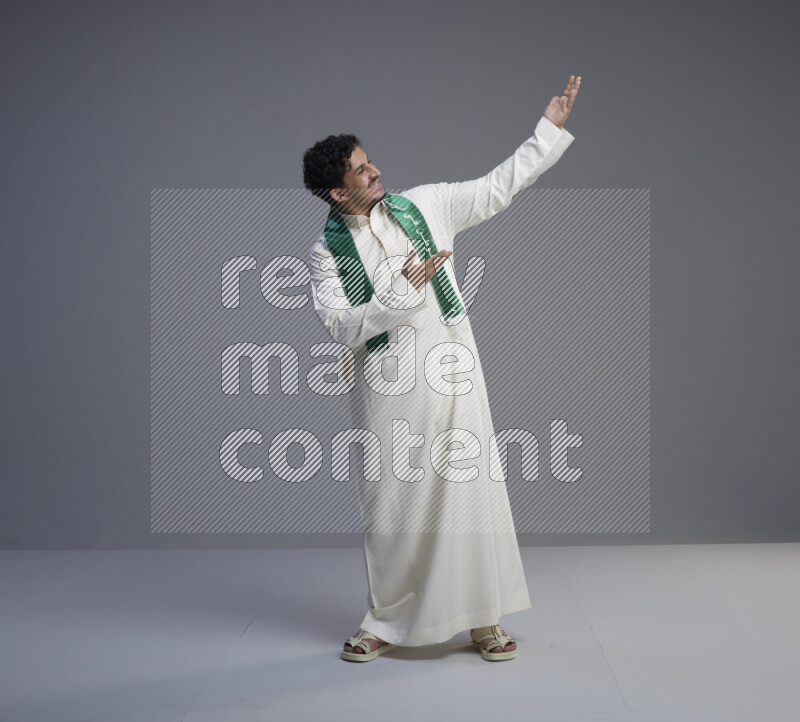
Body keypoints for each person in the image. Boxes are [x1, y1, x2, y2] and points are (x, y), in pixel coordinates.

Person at [302, 76, 581, 662]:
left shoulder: (425, 205)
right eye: (360, 169)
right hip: (388, 390)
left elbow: (496, 188)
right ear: (336, 192)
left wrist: (547, 130)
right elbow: (342, 327)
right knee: (391, 504)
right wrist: (402, 294)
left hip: (454, 374)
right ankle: (384, 620)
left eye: (370, 160)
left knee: (470, 495)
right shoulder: (327, 253)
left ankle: (483, 619)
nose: (375, 171)